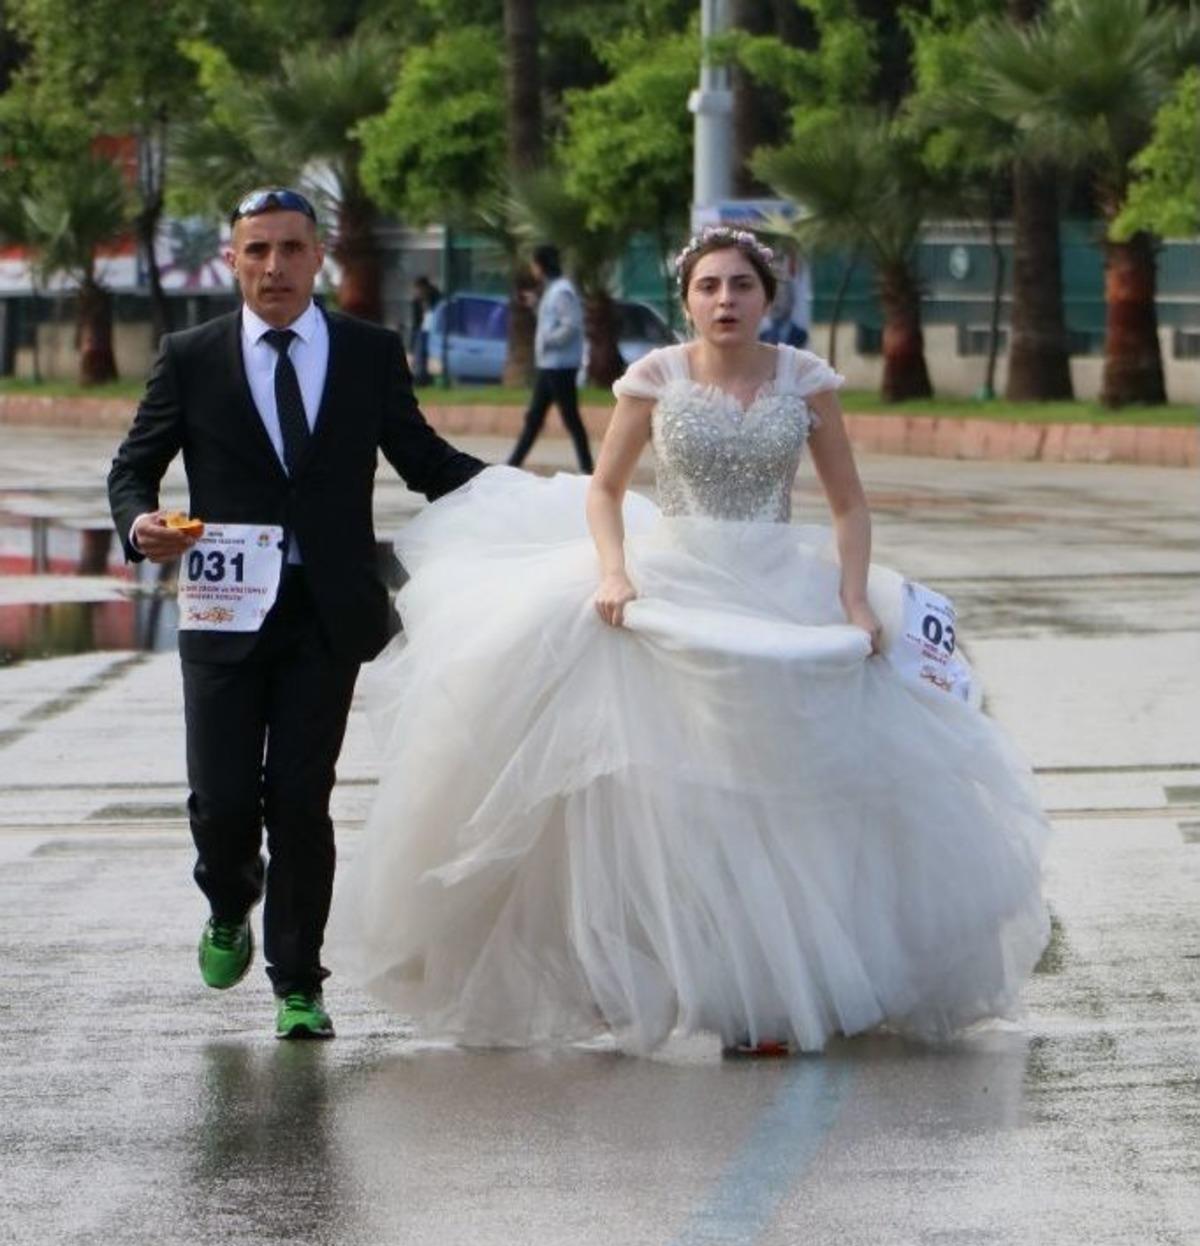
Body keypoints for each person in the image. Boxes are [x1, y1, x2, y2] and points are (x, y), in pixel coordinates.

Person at [328, 226, 1048, 1057]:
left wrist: (854, 597)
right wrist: (613, 571)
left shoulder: (806, 381)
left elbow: (849, 503)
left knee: (785, 786)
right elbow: (604, 492)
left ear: (766, 296)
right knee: (673, 792)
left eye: (741, 285)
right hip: (676, 577)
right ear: (687, 299)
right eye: (708, 287)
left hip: (780, 584)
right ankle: (663, 976)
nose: (725, 301)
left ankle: (774, 996)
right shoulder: (653, 378)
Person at [107, 187, 484, 1041]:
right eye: (256, 251)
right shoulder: (191, 356)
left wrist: (535, 502)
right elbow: (134, 467)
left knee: (301, 799)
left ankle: (297, 984)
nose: (273, 267)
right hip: (222, 612)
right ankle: (229, 899)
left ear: (320, 259)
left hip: (328, 612)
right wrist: (142, 523)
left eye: (290, 249)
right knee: (223, 800)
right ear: (232, 261)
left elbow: (423, 459)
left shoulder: (367, 352)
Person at [507, 244, 593, 474]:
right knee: (535, 417)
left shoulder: (562, 291)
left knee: (570, 418)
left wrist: (549, 340)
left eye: (535, 264)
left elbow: (570, 324)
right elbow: (552, 321)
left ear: (542, 265)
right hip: (550, 365)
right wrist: (536, 306)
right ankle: (512, 465)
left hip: (560, 365)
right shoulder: (552, 290)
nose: (533, 270)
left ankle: (588, 469)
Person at [408, 275, 441, 386]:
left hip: (435, 330)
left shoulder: (436, 298)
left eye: (420, 289)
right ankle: (421, 378)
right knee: (419, 351)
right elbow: (415, 323)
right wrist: (411, 346)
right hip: (422, 330)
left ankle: (425, 377)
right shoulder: (416, 302)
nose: (418, 292)